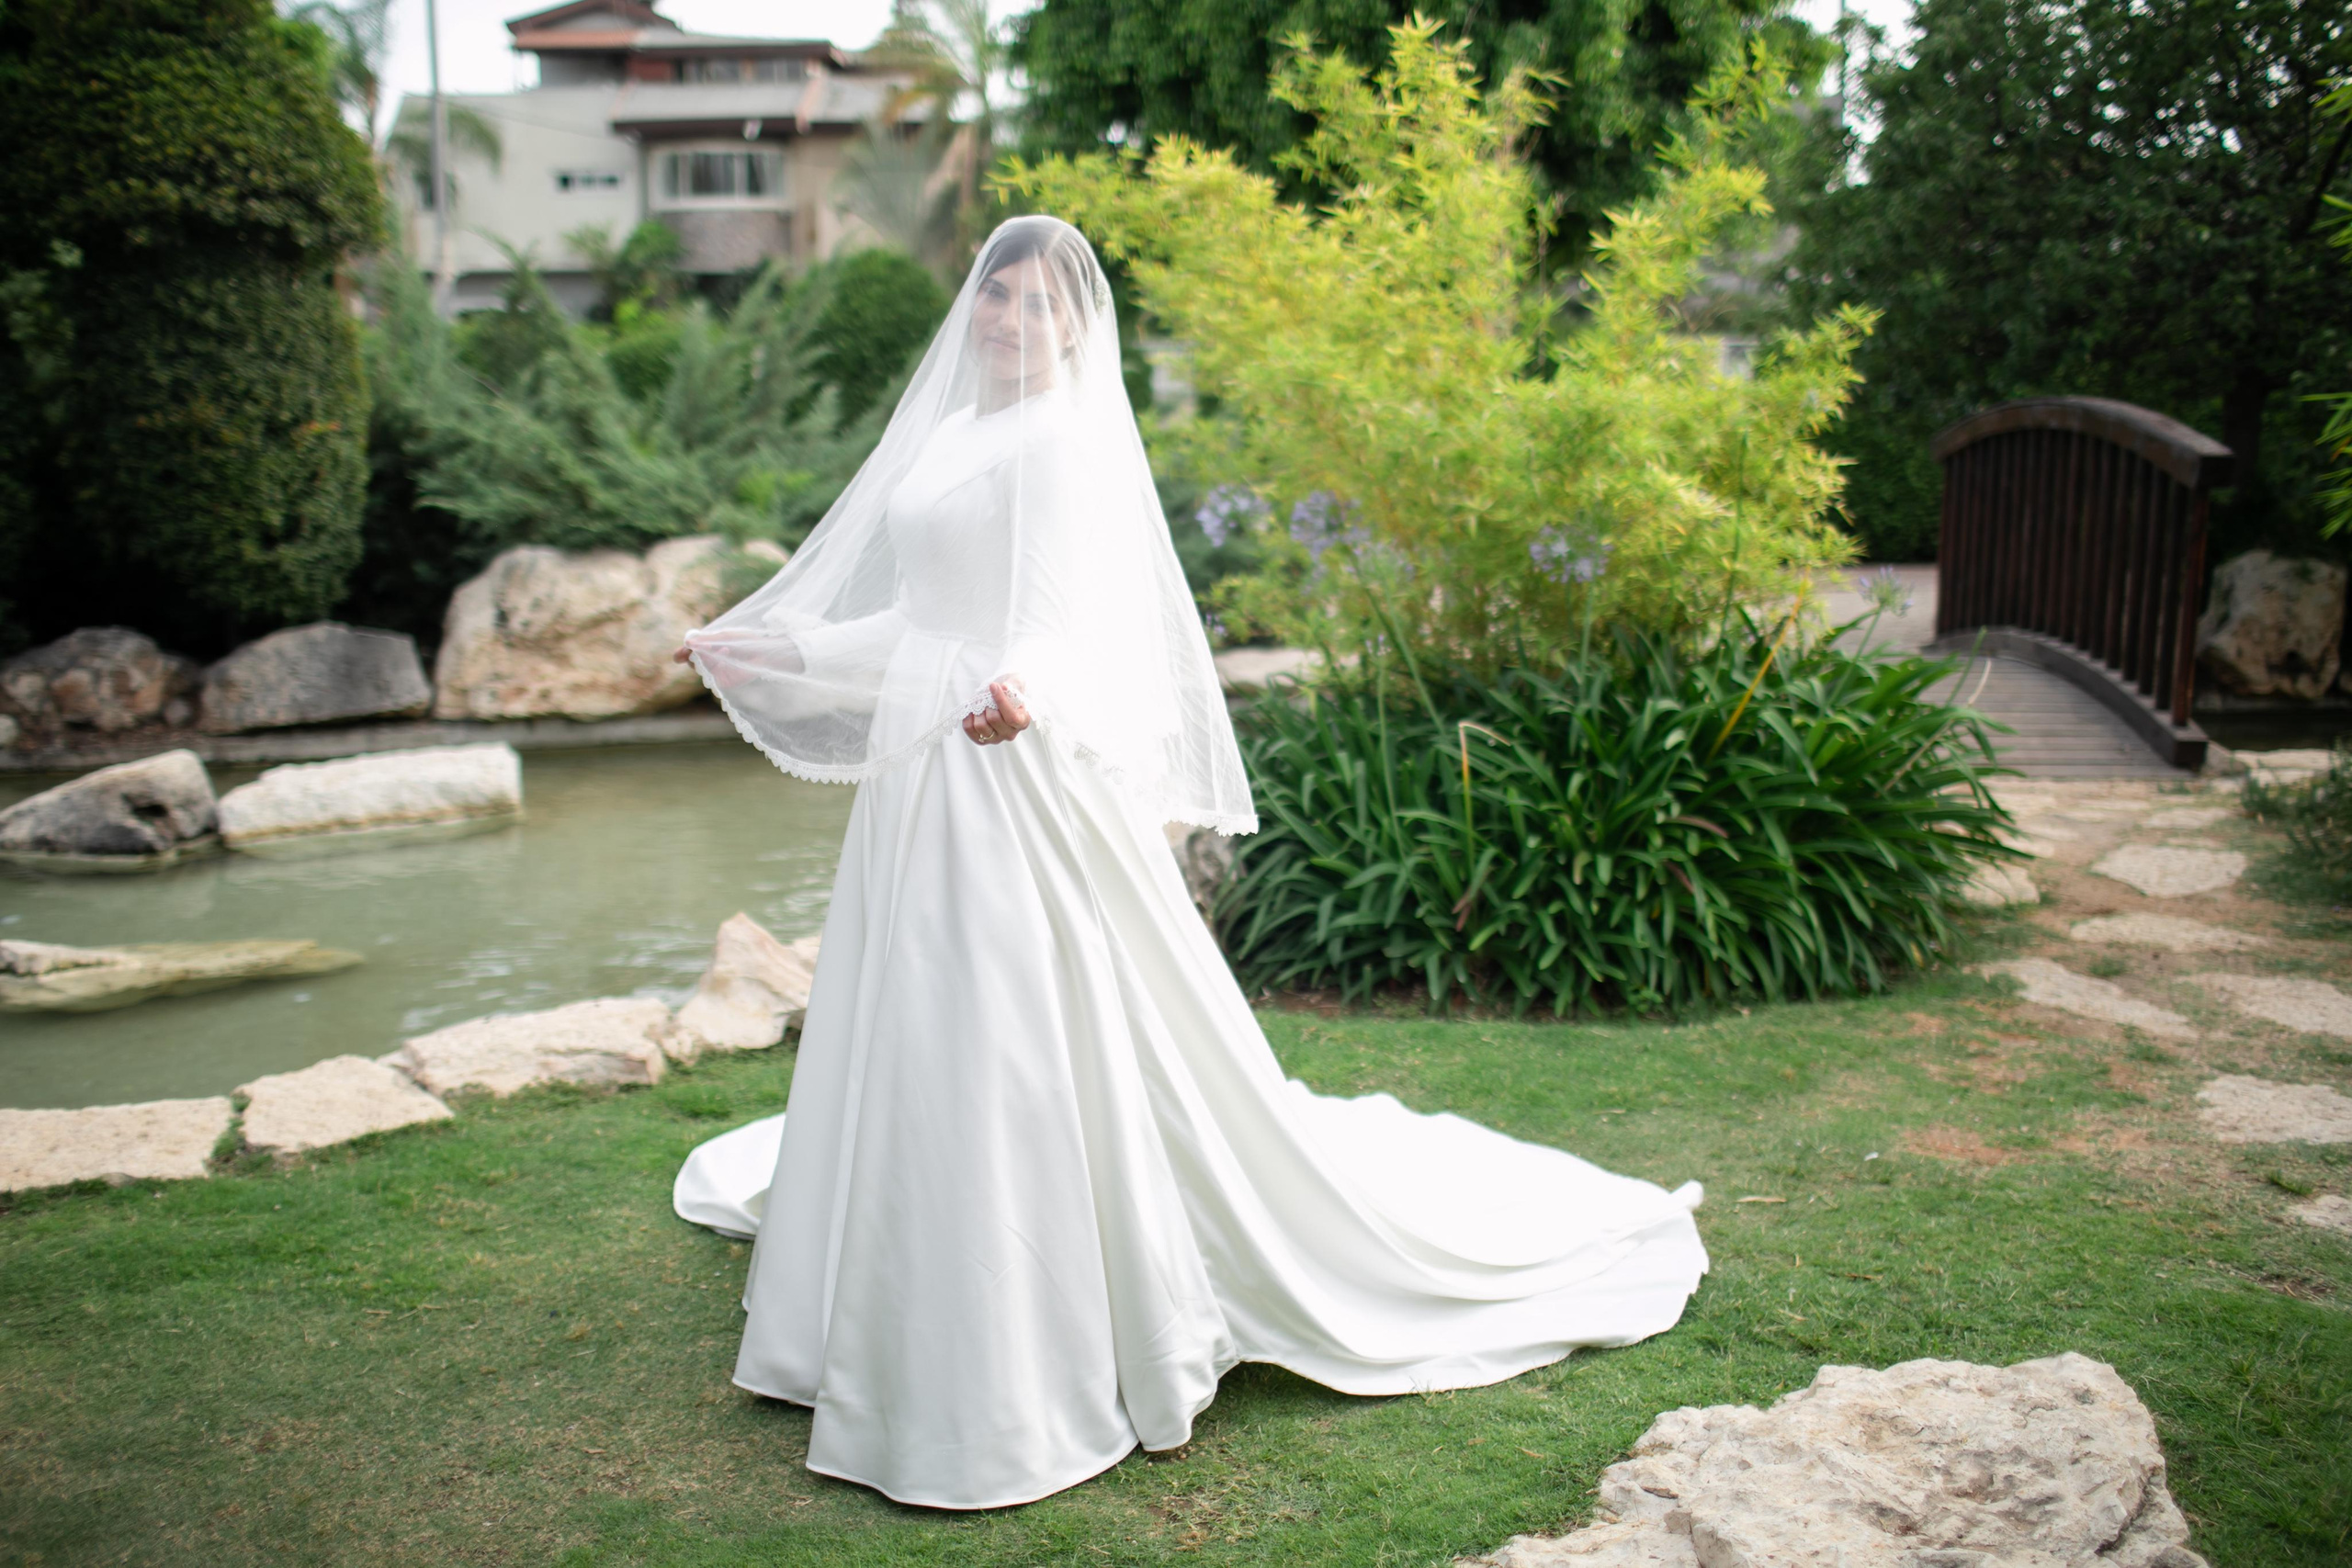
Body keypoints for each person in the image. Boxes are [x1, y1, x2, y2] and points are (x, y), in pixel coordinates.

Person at [670, 216, 1709, 1511]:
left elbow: (1076, 617)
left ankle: (1022, 1344)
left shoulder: (1063, 444)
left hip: (1013, 765)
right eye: (999, 300)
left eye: (1044, 310)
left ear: (1077, 332)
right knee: (920, 1020)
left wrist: (1023, 693)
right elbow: (916, 613)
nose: (1013, 324)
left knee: (1015, 1032)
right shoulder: (949, 433)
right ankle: (884, 1292)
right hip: (927, 775)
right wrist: (779, 650)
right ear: (974, 308)